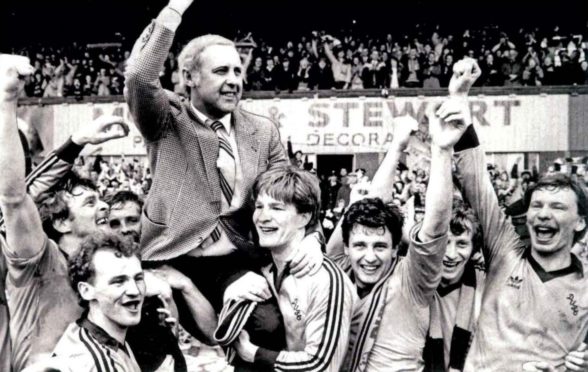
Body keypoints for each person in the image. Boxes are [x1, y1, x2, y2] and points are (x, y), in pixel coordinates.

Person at [124, 0, 323, 320]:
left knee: (269, 326)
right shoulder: (166, 118)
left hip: (235, 261)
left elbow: (291, 195)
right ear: (189, 77)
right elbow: (138, 75)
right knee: (152, 337)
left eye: (237, 71)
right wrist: (175, 8)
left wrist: (310, 237)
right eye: (221, 71)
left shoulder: (262, 130)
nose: (234, 80)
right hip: (171, 257)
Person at [447, 57, 588, 371]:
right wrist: (459, 98)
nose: (542, 214)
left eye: (557, 207)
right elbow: (477, 182)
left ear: (580, 222)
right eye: (537, 205)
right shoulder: (504, 250)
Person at [0, 54, 132, 371]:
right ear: (59, 221)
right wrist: (6, 99)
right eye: (90, 203)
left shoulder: (104, 265)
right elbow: (16, 197)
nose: (104, 207)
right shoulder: (39, 258)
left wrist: (77, 141)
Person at [326, 102, 459, 370]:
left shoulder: (412, 280)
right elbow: (368, 207)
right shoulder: (337, 270)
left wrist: (442, 151)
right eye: (360, 245)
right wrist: (396, 146)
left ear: (396, 248)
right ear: (347, 248)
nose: (370, 256)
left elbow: (434, 229)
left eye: (380, 246)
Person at [215, 166, 355, 372]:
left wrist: (252, 353)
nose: (262, 217)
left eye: (277, 208)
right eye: (260, 206)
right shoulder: (262, 267)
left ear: (304, 218)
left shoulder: (326, 280)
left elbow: (322, 365)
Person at [48, 232, 146, 372]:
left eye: (138, 278)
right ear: (86, 291)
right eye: (118, 281)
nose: (134, 291)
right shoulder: (98, 362)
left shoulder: (87, 334)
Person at [423, 199, 486, 371]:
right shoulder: (417, 282)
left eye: (462, 243)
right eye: (444, 243)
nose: (451, 254)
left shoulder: (485, 287)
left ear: (474, 249)